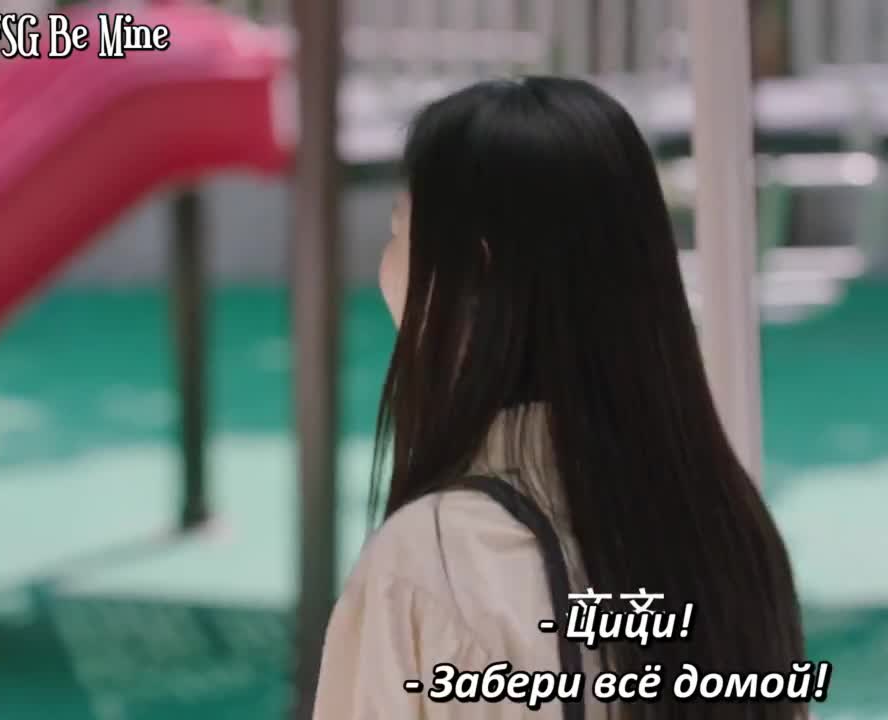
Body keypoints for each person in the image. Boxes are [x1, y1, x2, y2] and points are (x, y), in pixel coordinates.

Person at [313, 76, 807, 720]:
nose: (386, 262)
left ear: (472, 269)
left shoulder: (436, 560)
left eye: (398, 231)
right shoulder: (730, 529)